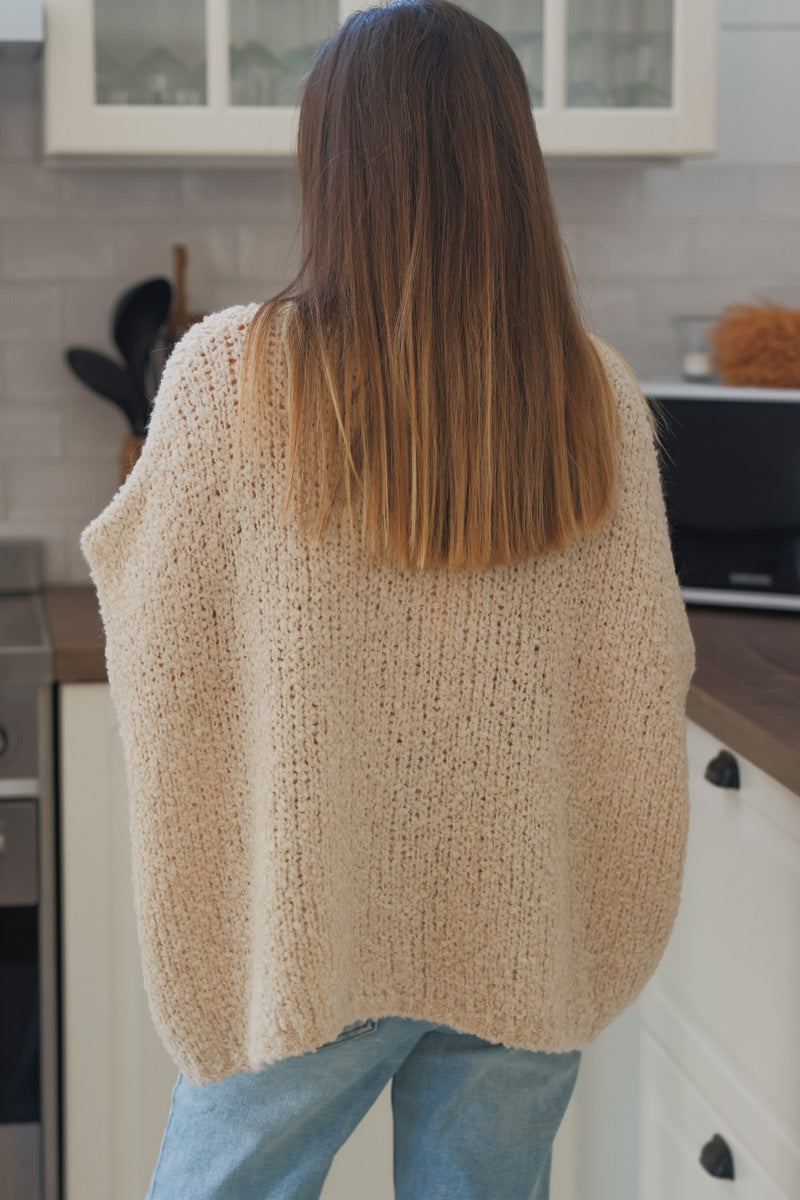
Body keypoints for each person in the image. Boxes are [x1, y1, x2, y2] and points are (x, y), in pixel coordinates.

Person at [79, 2, 696, 1197]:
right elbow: (640, 663)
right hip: (525, 919)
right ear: (510, 161)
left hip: (312, 919)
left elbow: (158, 630)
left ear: (335, 158)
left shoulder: (230, 373)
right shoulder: (592, 391)